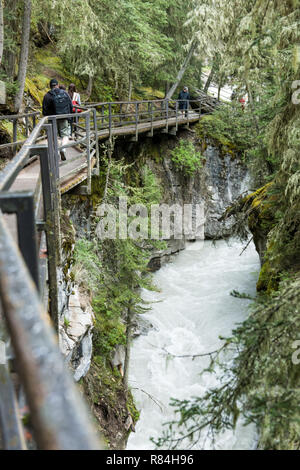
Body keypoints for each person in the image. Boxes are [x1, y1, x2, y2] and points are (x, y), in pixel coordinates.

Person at [42, 78, 73, 161]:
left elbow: (44, 110)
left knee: (53, 136)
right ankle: (63, 149)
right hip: (63, 118)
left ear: (50, 86)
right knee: (65, 135)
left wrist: (47, 116)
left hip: (52, 119)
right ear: (57, 85)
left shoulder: (47, 96)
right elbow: (71, 106)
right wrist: (69, 116)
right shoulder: (65, 93)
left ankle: (57, 154)